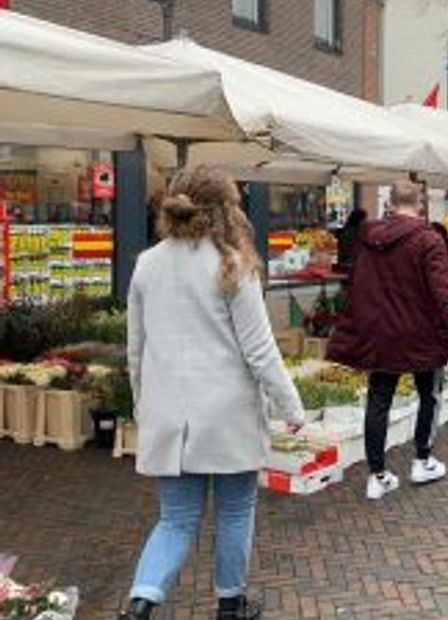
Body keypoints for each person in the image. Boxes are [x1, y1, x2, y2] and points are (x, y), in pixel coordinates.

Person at [119, 166, 305, 620]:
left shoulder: (147, 264)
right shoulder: (233, 266)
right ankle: (230, 605)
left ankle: (139, 604)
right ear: (226, 210)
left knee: (175, 520)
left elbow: (136, 351)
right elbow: (260, 351)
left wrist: (145, 406)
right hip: (228, 416)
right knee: (236, 511)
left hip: (169, 415)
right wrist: (290, 406)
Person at [326, 180, 448, 501]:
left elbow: (356, 284)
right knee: (429, 396)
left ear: (389, 203)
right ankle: (423, 460)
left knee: (378, 400)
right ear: (420, 204)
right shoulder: (428, 240)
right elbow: (444, 293)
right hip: (422, 334)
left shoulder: (368, 236)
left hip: (381, 334)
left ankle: (377, 476)